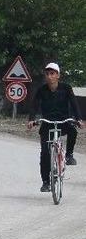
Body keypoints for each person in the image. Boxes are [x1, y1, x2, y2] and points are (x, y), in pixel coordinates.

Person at [27, 62, 84, 191]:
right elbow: (34, 105)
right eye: (47, 74)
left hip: (63, 121)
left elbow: (74, 103)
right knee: (45, 154)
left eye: (52, 74)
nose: (49, 76)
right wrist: (31, 119)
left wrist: (78, 119)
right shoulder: (41, 90)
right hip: (47, 123)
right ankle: (46, 182)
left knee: (73, 131)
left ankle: (69, 155)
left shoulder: (66, 88)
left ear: (58, 75)